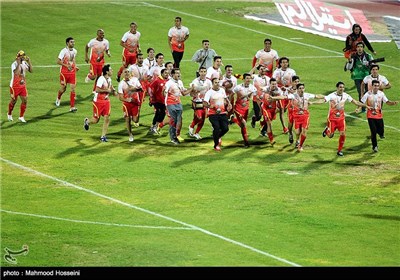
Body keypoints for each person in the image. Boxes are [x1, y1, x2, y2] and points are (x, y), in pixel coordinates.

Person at [272, 83, 325, 151]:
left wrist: (327, 97)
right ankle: (297, 140)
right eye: (300, 88)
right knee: (297, 132)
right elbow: (283, 97)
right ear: (297, 90)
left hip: (305, 115)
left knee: (304, 132)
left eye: (302, 88)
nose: (301, 90)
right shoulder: (293, 95)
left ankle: (300, 145)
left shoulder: (307, 95)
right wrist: (273, 98)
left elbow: (316, 96)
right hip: (296, 115)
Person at [322, 81, 370, 156]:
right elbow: (324, 100)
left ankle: (339, 150)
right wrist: (314, 102)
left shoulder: (346, 95)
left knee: (343, 134)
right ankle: (326, 131)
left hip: (341, 119)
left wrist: (365, 106)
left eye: (343, 87)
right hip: (332, 119)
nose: (342, 89)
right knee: (330, 135)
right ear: (337, 88)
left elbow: (355, 102)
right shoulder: (331, 96)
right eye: (340, 87)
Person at [361, 80, 398, 153]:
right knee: (373, 131)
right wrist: (359, 108)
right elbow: (362, 102)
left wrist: (393, 103)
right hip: (370, 115)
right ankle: (375, 146)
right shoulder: (368, 94)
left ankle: (381, 133)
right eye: (375, 85)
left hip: (379, 115)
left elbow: (387, 102)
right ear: (372, 86)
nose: (376, 87)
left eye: (378, 86)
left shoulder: (381, 94)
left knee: (381, 130)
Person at [83, 64, 116, 142]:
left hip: (106, 101)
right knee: (95, 120)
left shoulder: (109, 79)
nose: (112, 71)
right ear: (107, 72)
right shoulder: (101, 79)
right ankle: (87, 122)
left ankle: (103, 136)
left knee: (107, 117)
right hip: (98, 101)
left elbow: (110, 87)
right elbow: (97, 90)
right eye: (111, 70)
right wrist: (106, 90)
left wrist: (114, 91)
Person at [163, 68, 192, 144]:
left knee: (178, 120)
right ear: (172, 74)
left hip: (178, 103)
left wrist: (192, 89)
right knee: (173, 120)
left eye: (179, 73)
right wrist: (166, 105)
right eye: (176, 73)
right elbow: (164, 93)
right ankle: (173, 138)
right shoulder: (169, 83)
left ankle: (176, 135)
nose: (178, 74)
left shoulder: (180, 82)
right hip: (170, 103)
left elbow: (183, 93)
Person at [203, 77, 232, 151]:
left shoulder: (222, 90)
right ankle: (216, 145)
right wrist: (210, 106)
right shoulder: (209, 92)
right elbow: (204, 103)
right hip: (213, 114)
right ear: (212, 84)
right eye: (215, 82)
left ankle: (217, 136)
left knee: (225, 128)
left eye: (218, 82)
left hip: (222, 113)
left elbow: (225, 98)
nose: (217, 84)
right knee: (216, 128)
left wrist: (229, 104)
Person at [345, 42, 373, 113]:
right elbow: (348, 68)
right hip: (357, 76)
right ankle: (362, 107)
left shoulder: (368, 56)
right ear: (356, 48)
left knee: (367, 92)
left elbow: (374, 66)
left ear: (363, 48)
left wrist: (368, 64)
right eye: (358, 47)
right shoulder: (353, 56)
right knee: (360, 92)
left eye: (361, 47)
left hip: (366, 76)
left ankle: (364, 106)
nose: (359, 48)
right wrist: (350, 62)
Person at [231, 73, 257, 147]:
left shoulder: (252, 88)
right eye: (247, 78)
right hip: (238, 108)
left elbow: (251, 97)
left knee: (243, 126)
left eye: (249, 78)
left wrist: (249, 97)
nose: (248, 80)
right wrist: (230, 104)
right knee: (244, 123)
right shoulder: (238, 88)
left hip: (246, 109)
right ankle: (246, 142)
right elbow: (231, 95)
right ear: (243, 79)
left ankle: (234, 120)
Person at [117, 68, 143, 142]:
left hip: (135, 103)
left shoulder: (135, 80)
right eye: (125, 72)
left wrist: (134, 89)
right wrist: (126, 100)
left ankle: (136, 115)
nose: (127, 73)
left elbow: (141, 89)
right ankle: (130, 134)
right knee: (127, 119)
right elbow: (120, 97)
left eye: (128, 72)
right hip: (127, 104)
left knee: (135, 120)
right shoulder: (121, 84)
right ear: (122, 74)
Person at [272, 57, 297, 134]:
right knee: (282, 110)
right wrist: (278, 88)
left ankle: (268, 118)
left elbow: (294, 82)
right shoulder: (276, 72)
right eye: (283, 62)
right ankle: (284, 128)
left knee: (284, 109)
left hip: (288, 92)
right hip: (280, 92)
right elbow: (273, 82)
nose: (285, 64)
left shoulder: (292, 71)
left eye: (286, 62)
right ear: (280, 63)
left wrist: (291, 89)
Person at [7, 50, 32, 123]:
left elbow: (31, 70)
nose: (24, 57)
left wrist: (29, 62)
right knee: (14, 101)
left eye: (24, 55)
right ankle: (9, 113)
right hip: (14, 86)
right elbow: (16, 73)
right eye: (22, 56)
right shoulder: (14, 64)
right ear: (19, 57)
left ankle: (21, 116)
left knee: (25, 100)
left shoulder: (24, 63)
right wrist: (18, 64)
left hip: (22, 85)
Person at [188, 66, 212, 140]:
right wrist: (199, 88)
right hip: (197, 101)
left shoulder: (209, 82)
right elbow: (194, 88)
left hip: (205, 102)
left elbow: (211, 91)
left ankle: (196, 132)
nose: (203, 73)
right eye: (201, 71)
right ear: (199, 72)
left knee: (203, 118)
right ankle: (192, 126)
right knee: (199, 117)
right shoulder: (195, 81)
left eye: (204, 71)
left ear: (206, 72)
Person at [55, 37, 78, 112]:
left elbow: (73, 60)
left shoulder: (75, 51)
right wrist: (66, 66)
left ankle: (72, 107)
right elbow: (58, 61)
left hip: (72, 72)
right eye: (71, 42)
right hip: (64, 73)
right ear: (67, 43)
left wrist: (75, 66)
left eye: (73, 42)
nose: (73, 43)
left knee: (73, 89)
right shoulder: (63, 51)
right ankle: (58, 97)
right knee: (63, 88)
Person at [148, 68, 169, 135]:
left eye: (168, 73)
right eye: (165, 73)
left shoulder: (168, 81)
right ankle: (154, 126)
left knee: (163, 114)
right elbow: (150, 89)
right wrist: (151, 99)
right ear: (162, 73)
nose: (167, 74)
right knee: (159, 112)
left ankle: (155, 126)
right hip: (156, 100)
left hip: (164, 101)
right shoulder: (157, 80)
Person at [250, 64, 270, 130]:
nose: (263, 70)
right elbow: (248, 75)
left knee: (266, 115)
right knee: (258, 116)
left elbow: (269, 88)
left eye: (264, 69)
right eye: (261, 69)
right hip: (256, 99)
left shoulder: (268, 78)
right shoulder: (255, 77)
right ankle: (254, 119)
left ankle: (264, 130)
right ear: (258, 70)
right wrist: (254, 67)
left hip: (264, 99)